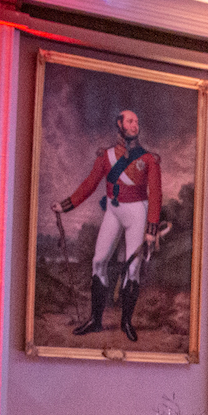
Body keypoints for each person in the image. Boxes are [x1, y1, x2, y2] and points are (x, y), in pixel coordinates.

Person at [54, 109, 167, 343]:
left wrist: (151, 230)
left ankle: (126, 322)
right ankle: (96, 321)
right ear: (119, 124)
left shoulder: (148, 159)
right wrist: (65, 206)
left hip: (138, 212)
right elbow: (89, 184)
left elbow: (155, 195)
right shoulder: (105, 157)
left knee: (132, 268)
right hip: (113, 211)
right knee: (98, 261)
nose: (135, 125)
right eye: (130, 121)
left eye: (136, 121)